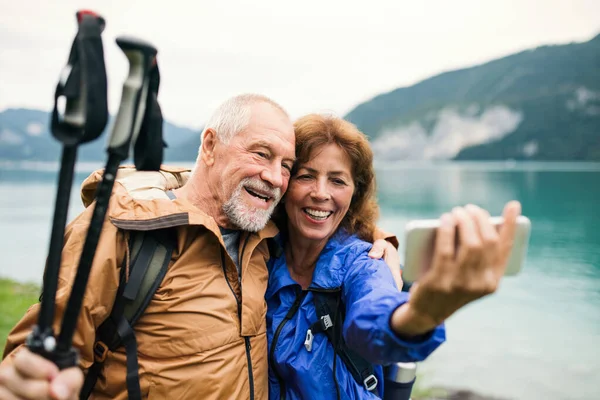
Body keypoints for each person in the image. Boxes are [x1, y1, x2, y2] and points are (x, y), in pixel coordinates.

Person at [0, 93, 297, 400]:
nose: (275, 177)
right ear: (210, 146)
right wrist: (30, 383)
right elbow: (41, 351)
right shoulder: (119, 228)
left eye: (286, 166)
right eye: (261, 154)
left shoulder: (266, 240)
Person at [266, 114, 521, 399]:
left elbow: (373, 314)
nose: (321, 193)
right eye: (306, 176)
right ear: (284, 181)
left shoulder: (366, 262)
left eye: (337, 181)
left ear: (355, 193)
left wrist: (419, 315)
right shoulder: (259, 253)